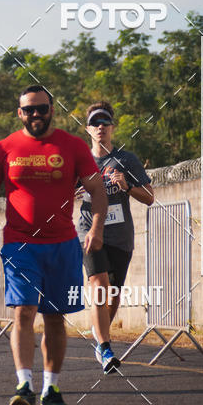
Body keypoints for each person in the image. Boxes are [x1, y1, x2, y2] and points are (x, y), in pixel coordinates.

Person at [0, 85, 107, 405]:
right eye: (29, 109)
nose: (36, 114)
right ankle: (24, 386)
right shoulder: (4, 148)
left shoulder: (73, 145)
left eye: (42, 108)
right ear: (19, 112)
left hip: (62, 245)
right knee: (23, 311)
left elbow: (96, 188)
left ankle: (51, 389)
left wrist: (96, 228)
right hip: (20, 245)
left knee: (54, 317)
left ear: (52, 109)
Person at [78, 102, 154, 373]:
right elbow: (62, 197)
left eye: (105, 122)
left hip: (121, 235)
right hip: (89, 232)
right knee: (99, 285)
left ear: (112, 128)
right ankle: (106, 348)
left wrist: (128, 186)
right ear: (88, 129)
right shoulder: (81, 161)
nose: (100, 127)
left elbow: (150, 198)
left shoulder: (127, 160)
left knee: (114, 293)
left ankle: (100, 336)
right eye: (95, 123)